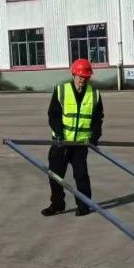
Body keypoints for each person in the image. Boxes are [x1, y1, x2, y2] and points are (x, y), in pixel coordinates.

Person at [42, 59, 104, 217]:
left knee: (81, 175)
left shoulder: (94, 94)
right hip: (61, 142)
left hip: (80, 144)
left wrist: (94, 137)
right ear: (74, 74)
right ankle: (57, 204)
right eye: (80, 76)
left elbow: (97, 119)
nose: (82, 79)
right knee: (55, 175)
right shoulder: (61, 90)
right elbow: (53, 115)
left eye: (86, 77)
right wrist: (59, 133)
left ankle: (84, 205)